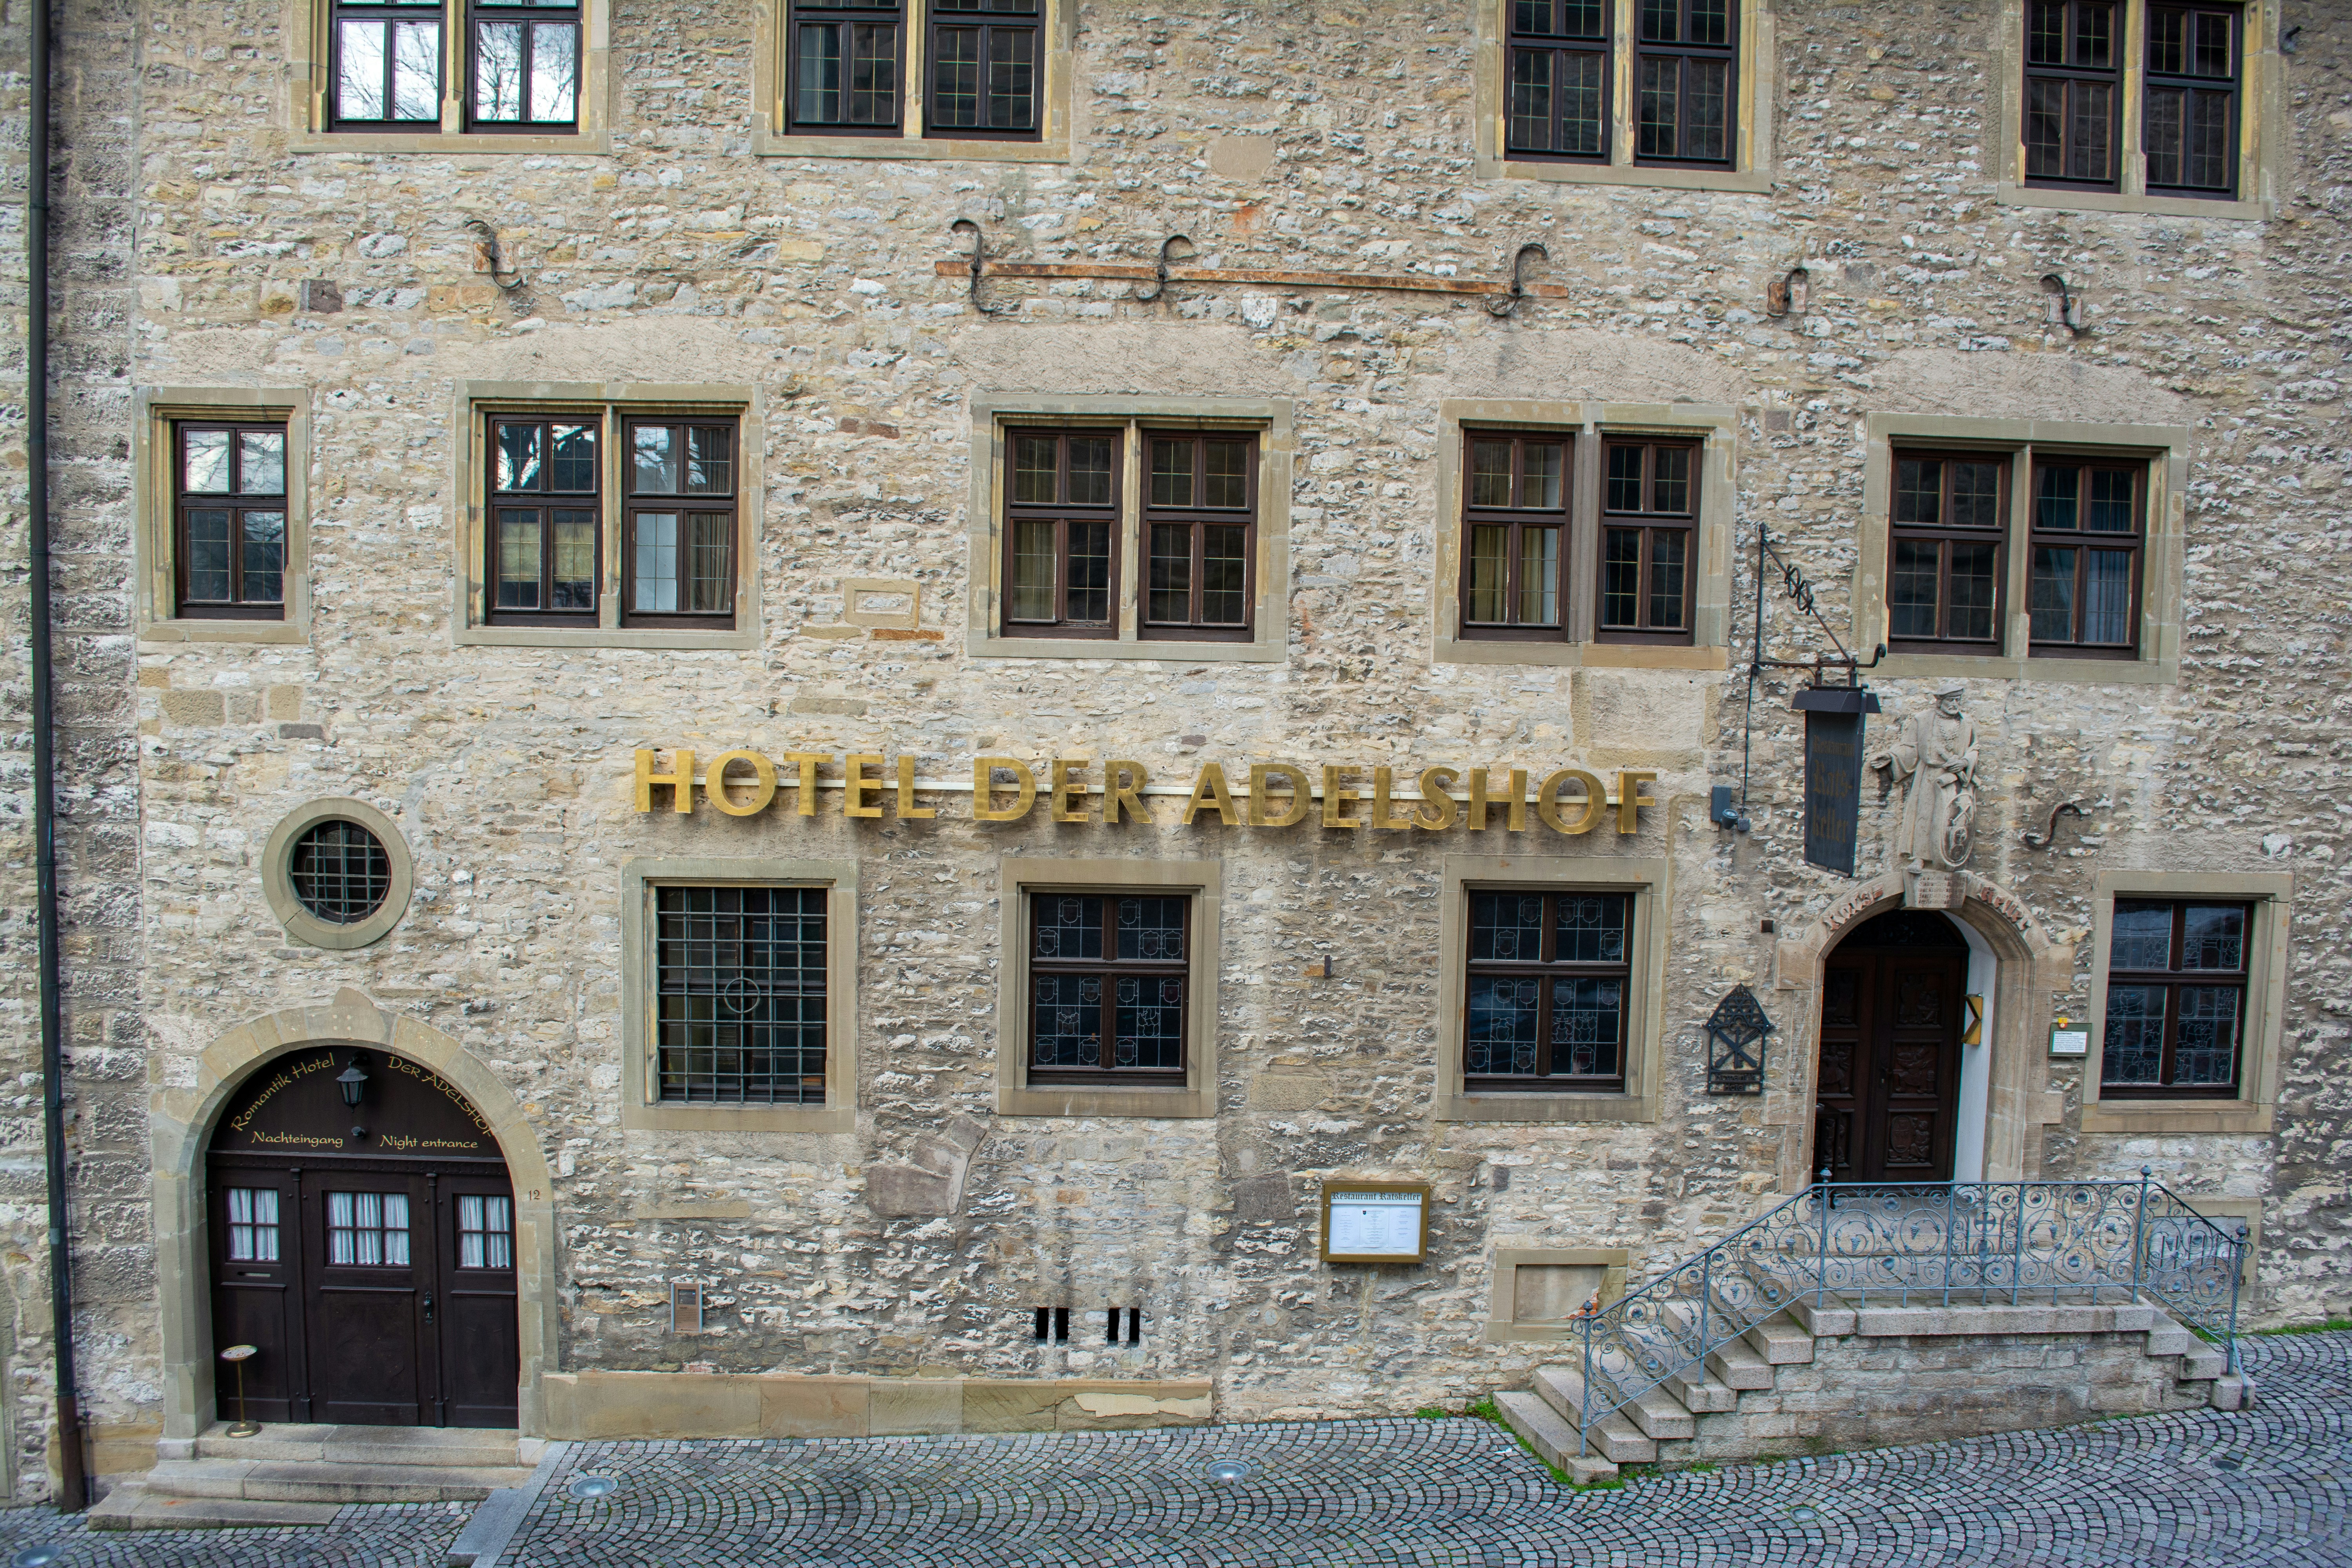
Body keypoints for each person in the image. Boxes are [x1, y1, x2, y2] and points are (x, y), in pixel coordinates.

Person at [1874, 683, 1978, 869]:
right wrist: (1891, 756)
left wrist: (1964, 762)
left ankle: (1950, 855)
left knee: (1952, 816)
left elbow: (1975, 748)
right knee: (1926, 814)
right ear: (1939, 701)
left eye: (1957, 700)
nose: (1955, 704)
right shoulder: (1923, 720)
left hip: (1956, 779)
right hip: (1930, 775)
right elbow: (1910, 746)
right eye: (1950, 700)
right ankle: (1920, 858)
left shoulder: (1967, 722)